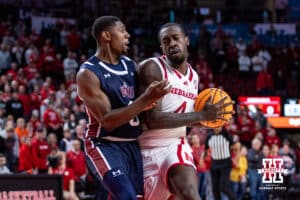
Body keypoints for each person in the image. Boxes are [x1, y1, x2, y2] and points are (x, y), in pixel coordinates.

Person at [76, 16, 170, 200]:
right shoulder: (88, 73)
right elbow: (107, 120)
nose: (127, 35)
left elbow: (143, 106)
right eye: (122, 31)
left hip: (132, 144)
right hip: (104, 143)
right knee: (126, 197)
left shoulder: (130, 65)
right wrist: (144, 100)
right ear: (106, 36)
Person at [137, 22, 234, 200]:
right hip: (142, 149)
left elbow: (186, 117)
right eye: (166, 41)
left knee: (190, 193)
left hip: (175, 144)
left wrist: (214, 118)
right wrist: (201, 116)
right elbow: (151, 119)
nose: (172, 43)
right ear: (162, 48)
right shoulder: (152, 68)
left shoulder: (194, 77)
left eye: (176, 38)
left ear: (187, 41)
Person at [205, 128, 237, 200]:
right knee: (215, 189)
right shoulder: (209, 136)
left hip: (225, 163)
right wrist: (202, 158)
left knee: (224, 187)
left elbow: (236, 146)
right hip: (214, 164)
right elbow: (206, 149)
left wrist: (236, 157)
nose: (217, 127)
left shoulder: (226, 134)